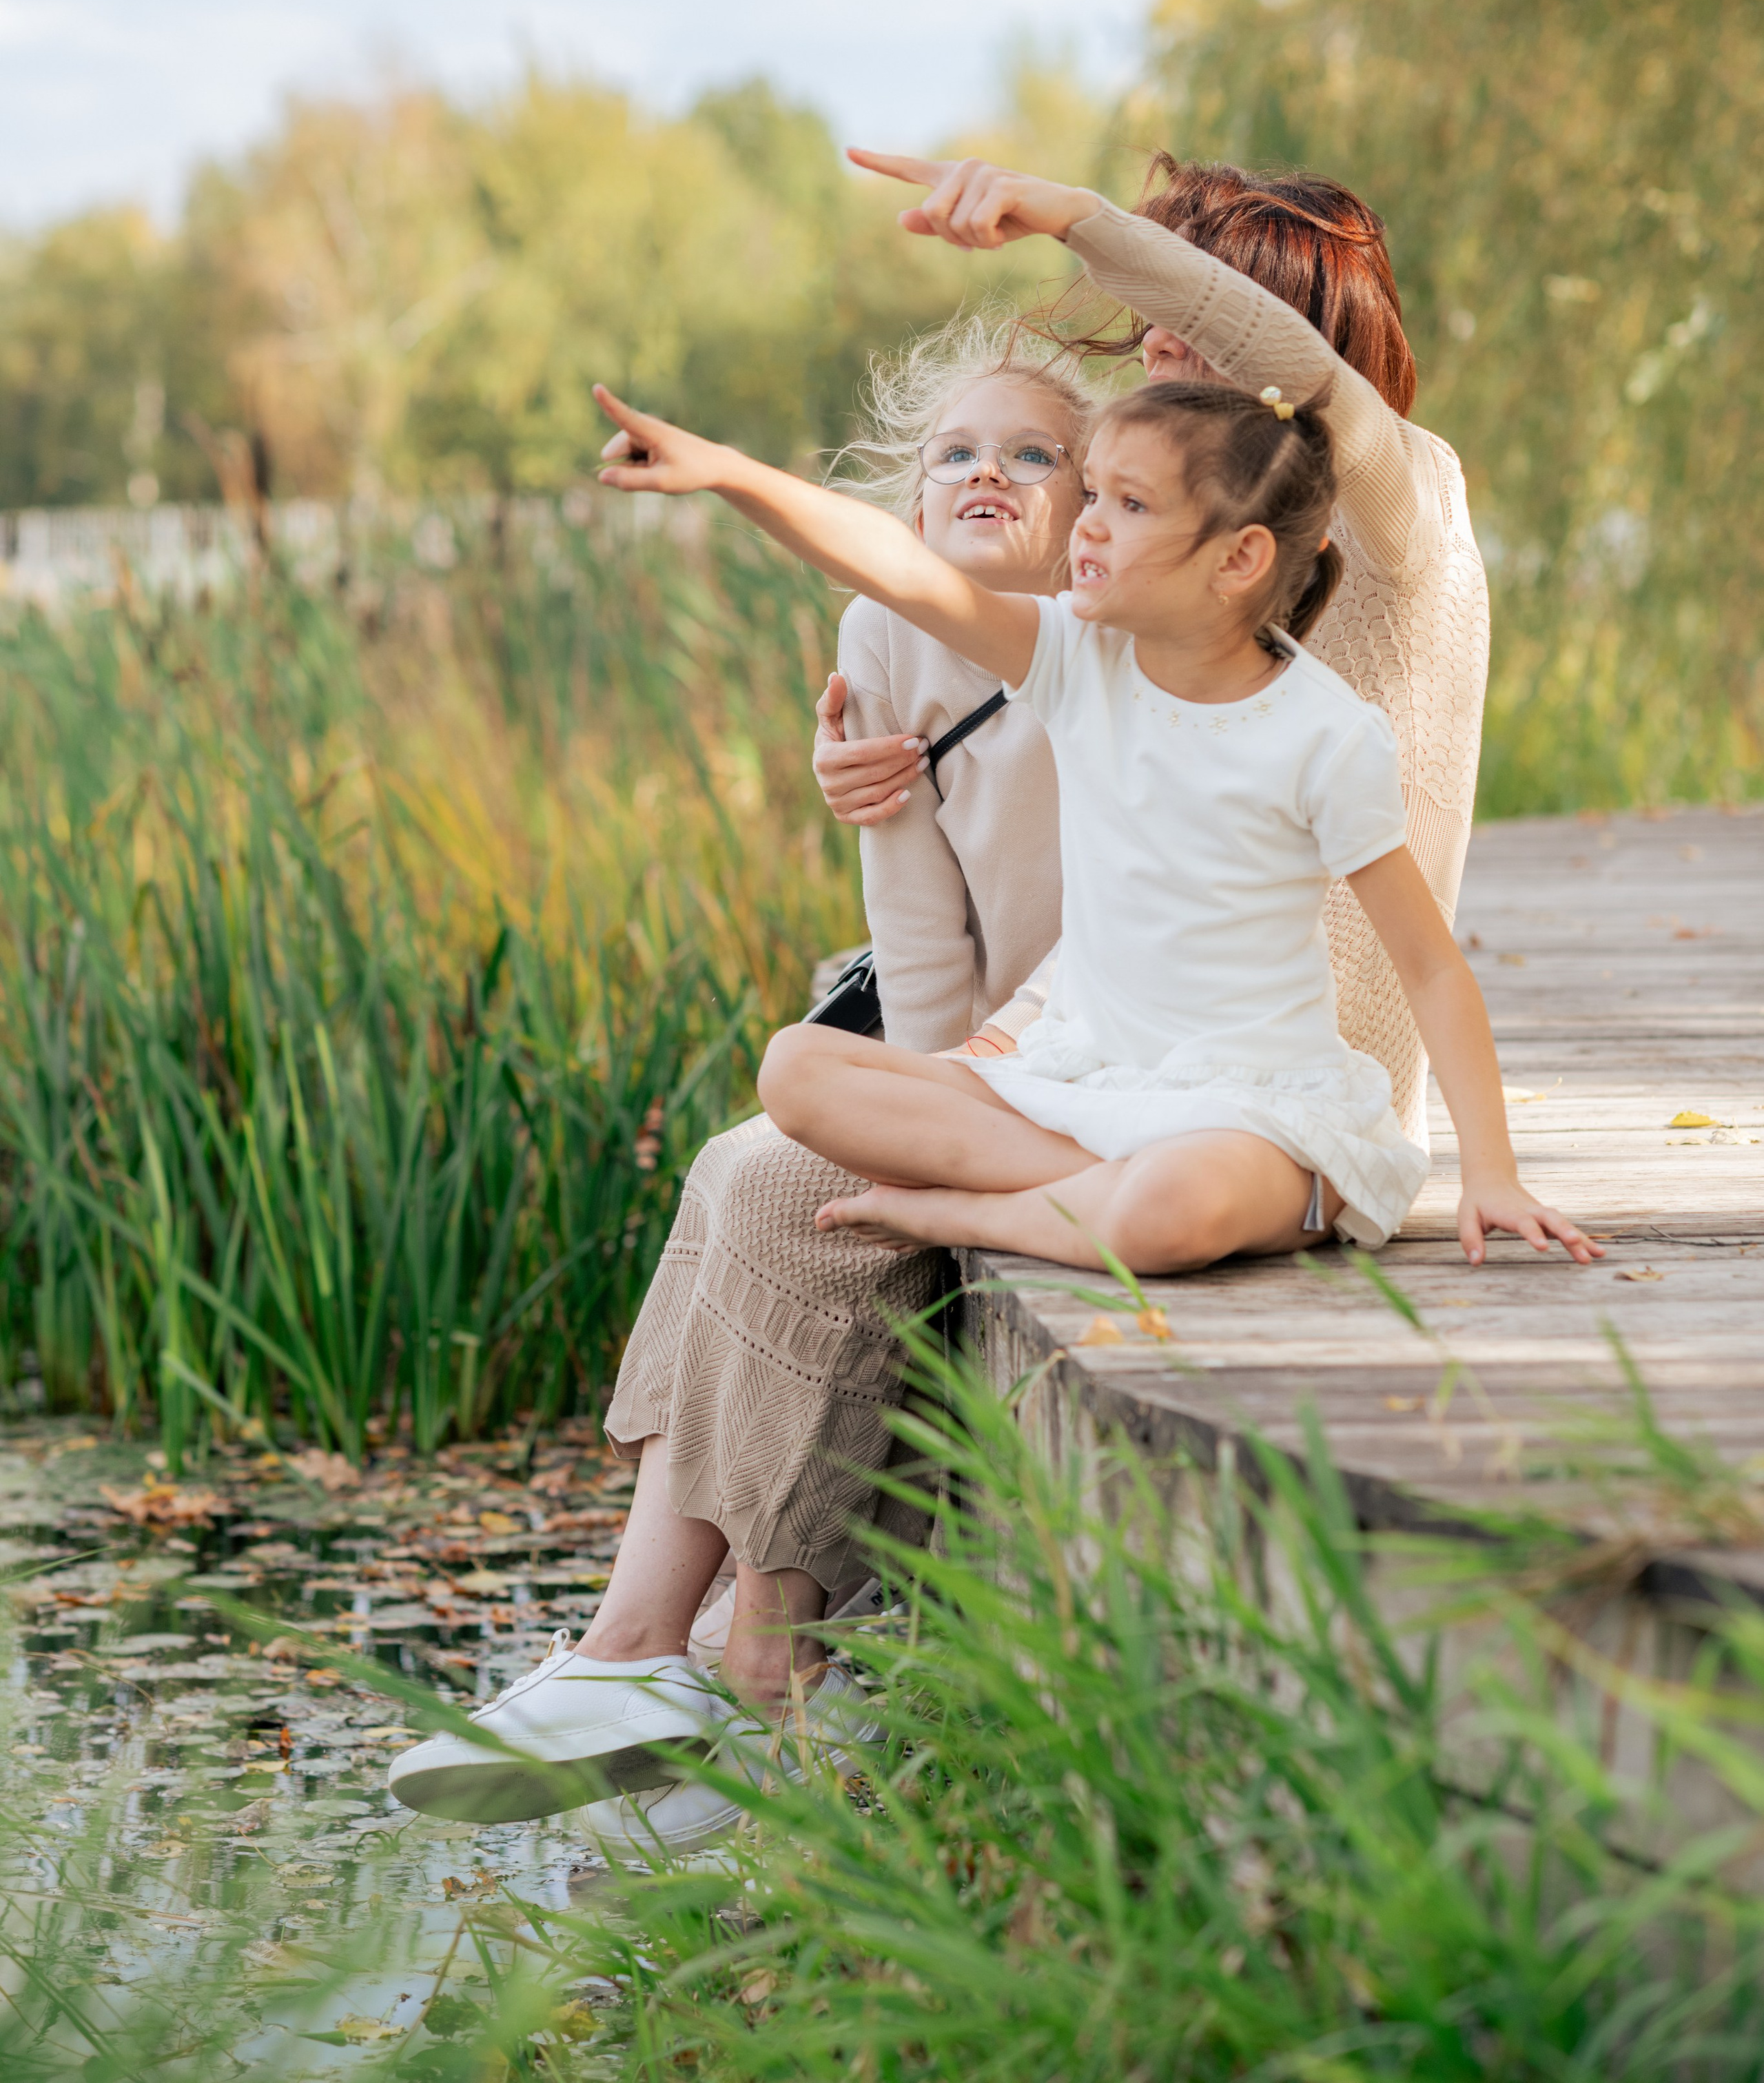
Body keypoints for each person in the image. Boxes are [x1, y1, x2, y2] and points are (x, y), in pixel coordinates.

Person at [387, 319, 1089, 1847]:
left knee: (783, 1175)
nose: (985, 473)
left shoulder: (1123, 649)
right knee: (746, 1159)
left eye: (1030, 452)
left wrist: (963, 1115)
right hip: (973, 1059)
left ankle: (728, 1669)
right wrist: (930, 1103)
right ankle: (658, 1657)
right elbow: (916, 946)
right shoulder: (882, 640)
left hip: (1107, 1064)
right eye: (953, 452)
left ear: (1093, 501)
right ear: (911, 502)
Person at [591, 365, 1601, 1281]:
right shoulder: (1077, 656)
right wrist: (727, 473)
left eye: (1127, 504)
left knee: (1173, 1207)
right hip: (1082, 1082)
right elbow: (896, 568)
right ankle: (1077, 1196)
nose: (1087, 526)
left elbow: (1431, 967)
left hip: (1247, 1112)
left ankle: (968, 1214)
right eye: (1094, 495)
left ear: (1239, 558)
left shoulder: (1325, 735)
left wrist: (1492, 1173)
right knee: (797, 1068)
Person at [817, 151, 1493, 1158]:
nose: (1155, 335)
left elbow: (1301, 369)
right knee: (770, 1143)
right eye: (1150, 304)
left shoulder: (1403, 509)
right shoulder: (1191, 539)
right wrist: (887, 760)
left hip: (1287, 1101)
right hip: (1134, 1056)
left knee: (787, 1190)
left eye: (1197, 305)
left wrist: (1077, 218)